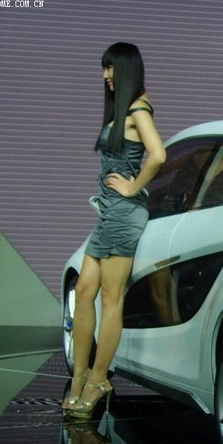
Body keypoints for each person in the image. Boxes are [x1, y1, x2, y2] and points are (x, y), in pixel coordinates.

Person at [63, 42, 166, 416]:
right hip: (109, 216)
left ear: (128, 70)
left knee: (111, 299)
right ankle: (80, 375)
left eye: (111, 68)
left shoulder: (138, 109)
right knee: (84, 291)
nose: (106, 75)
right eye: (104, 68)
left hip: (124, 216)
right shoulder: (123, 110)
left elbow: (159, 154)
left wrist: (133, 187)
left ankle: (98, 380)